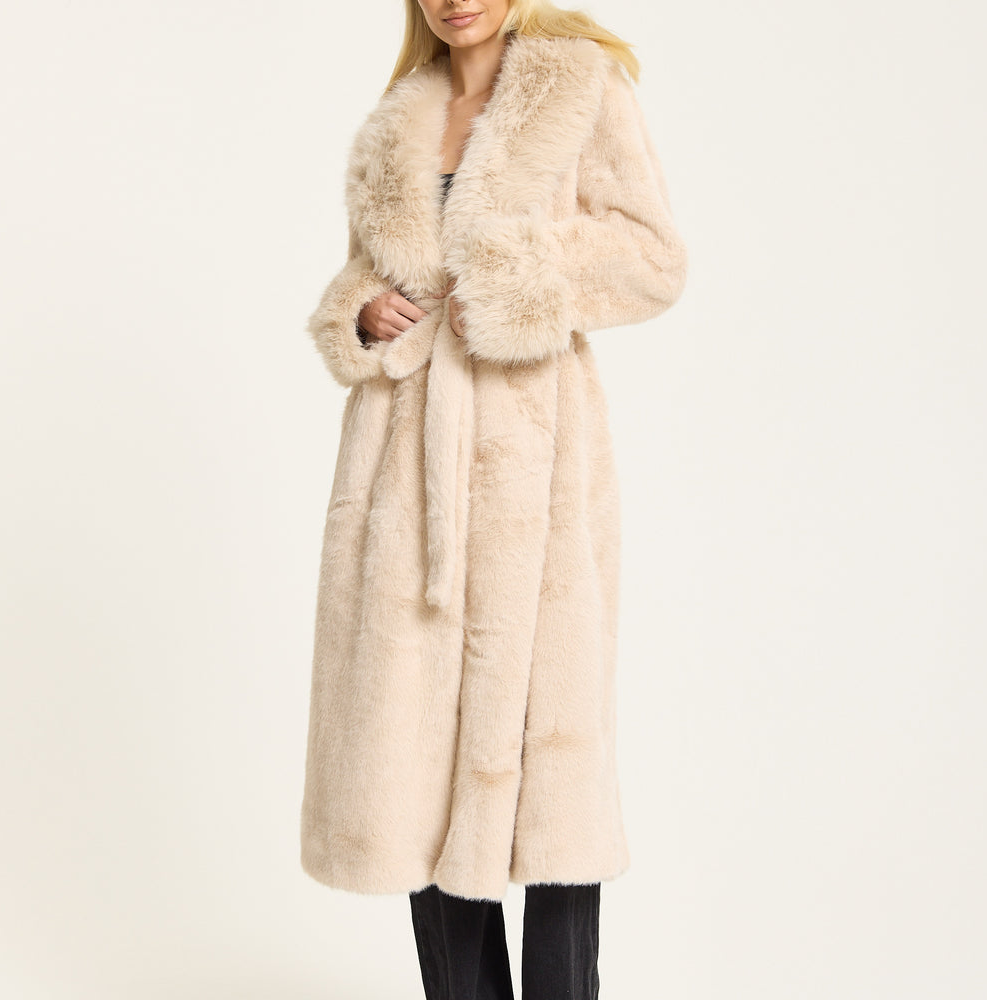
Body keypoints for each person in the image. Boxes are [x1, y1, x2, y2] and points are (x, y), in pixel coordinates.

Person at [299, 1, 688, 996]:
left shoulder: (579, 84)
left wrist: (513, 283)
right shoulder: (399, 116)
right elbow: (364, 277)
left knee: (551, 776)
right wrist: (362, 312)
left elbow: (652, 259)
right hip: (404, 477)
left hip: (535, 466)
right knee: (416, 762)